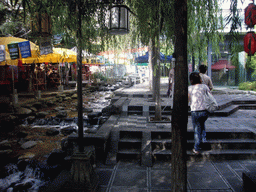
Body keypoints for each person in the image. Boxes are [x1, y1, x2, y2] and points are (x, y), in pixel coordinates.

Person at [188, 72, 210, 154]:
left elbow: (188, 99)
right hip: (205, 111)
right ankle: (203, 139)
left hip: (195, 111)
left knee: (197, 129)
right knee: (201, 124)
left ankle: (197, 148)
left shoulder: (190, 88)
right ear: (200, 79)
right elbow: (210, 96)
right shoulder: (205, 87)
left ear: (191, 80)